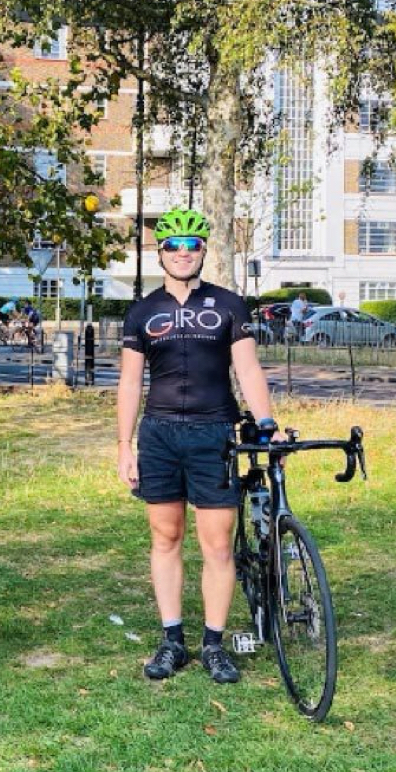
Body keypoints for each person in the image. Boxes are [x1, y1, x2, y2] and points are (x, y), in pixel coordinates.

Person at [117, 207, 278, 684]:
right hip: (160, 434)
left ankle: (213, 642)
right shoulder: (143, 311)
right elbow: (129, 384)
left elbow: (247, 369)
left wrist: (266, 419)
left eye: (192, 246)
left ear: (203, 250)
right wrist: (124, 446)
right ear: (160, 253)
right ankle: (172, 641)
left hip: (213, 433)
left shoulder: (228, 305)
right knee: (165, 537)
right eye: (173, 246)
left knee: (217, 544)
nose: (183, 254)